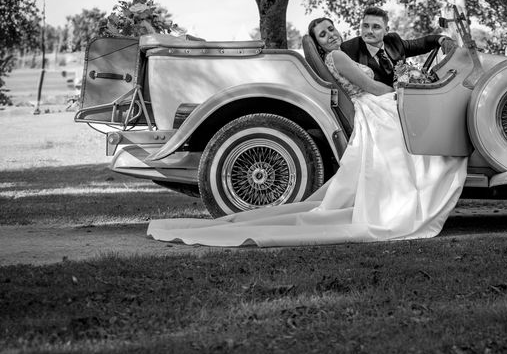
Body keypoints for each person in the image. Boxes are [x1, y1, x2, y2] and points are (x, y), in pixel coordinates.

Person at [147, 18, 467, 247]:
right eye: (322, 34)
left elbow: (386, 69)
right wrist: (405, 89)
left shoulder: (344, 52)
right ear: (317, 41)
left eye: (331, 29)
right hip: (372, 103)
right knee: (417, 136)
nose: (330, 35)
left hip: (370, 102)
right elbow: (370, 86)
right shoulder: (339, 56)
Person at [340, 6, 457, 87]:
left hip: (407, 97)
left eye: (376, 27)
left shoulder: (393, 40)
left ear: (386, 31)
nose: (369, 31)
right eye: (365, 26)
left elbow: (422, 43)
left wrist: (443, 39)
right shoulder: (349, 49)